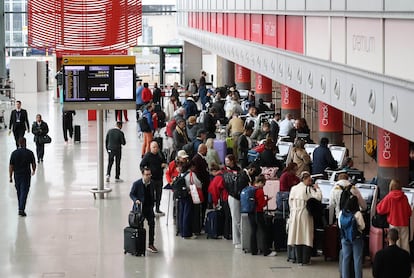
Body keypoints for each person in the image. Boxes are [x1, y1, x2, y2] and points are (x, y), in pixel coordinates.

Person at [287, 171, 322, 265]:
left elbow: (290, 202)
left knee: (297, 236)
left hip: (294, 214)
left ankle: (298, 259)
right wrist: (317, 189)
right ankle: (305, 260)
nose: (310, 182)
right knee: (306, 236)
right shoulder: (308, 189)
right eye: (309, 180)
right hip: (304, 214)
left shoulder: (293, 188)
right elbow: (318, 198)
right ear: (305, 179)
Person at [376, 179, 412, 253]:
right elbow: (409, 212)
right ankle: (405, 260)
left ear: (391, 186)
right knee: (405, 244)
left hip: (393, 223)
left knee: (395, 244)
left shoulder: (389, 197)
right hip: (404, 223)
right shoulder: (404, 197)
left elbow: (380, 209)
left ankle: (395, 261)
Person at [129, 167, 158, 253]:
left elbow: (153, 193)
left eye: (150, 174)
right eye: (146, 175)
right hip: (140, 209)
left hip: (149, 208)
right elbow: (131, 194)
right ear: (143, 175)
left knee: (152, 225)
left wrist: (154, 203)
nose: (148, 176)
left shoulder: (152, 183)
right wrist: (136, 200)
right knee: (139, 227)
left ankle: (151, 244)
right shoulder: (137, 184)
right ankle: (139, 245)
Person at [248, 174, 277, 256]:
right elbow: (262, 204)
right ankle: (266, 251)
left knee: (253, 231)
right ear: (260, 182)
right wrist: (267, 200)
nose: (264, 186)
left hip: (251, 212)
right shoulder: (260, 191)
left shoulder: (251, 188)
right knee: (264, 231)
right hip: (258, 212)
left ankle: (254, 250)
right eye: (263, 184)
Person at [338, 195, 365, 278]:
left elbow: (340, 225)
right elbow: (362, 226)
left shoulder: (341, 212)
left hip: (345, 238)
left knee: (345, 258)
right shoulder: (357, 214)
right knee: (357, 259)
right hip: (356, 238)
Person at [9, 137, 36, 217]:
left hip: (17, 175)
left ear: (19, 143)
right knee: (24, 191)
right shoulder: (29, 152)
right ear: (25, 143)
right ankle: (21, 209)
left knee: (19, 191)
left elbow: (11, 166)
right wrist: (33, 170)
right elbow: (33, 163)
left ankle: (20, 207)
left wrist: (10, 176)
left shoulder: (14, 153)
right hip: (26, 175)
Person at [140, 141, 167, 216]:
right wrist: (145, 173)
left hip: (159, 178)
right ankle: (149, 209)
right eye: (154, 147)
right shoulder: (147, 156)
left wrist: (164, 164)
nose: (155, 149)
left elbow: (164, 161)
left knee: (159, 194)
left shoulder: (160, 154)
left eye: (156, 147)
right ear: (151, 148)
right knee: (151, 195)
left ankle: (157, 209)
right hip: (151, 179)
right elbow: (142, 165)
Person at [208, 163, 232, 239]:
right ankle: (230, 233)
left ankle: (226, 234)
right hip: (231, 196)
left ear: (214, 171)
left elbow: (213, 191)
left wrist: (215, 203)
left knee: (226, 216)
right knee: (229, 216)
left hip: (224, 198)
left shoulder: (217, 178)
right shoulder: (226, 173)